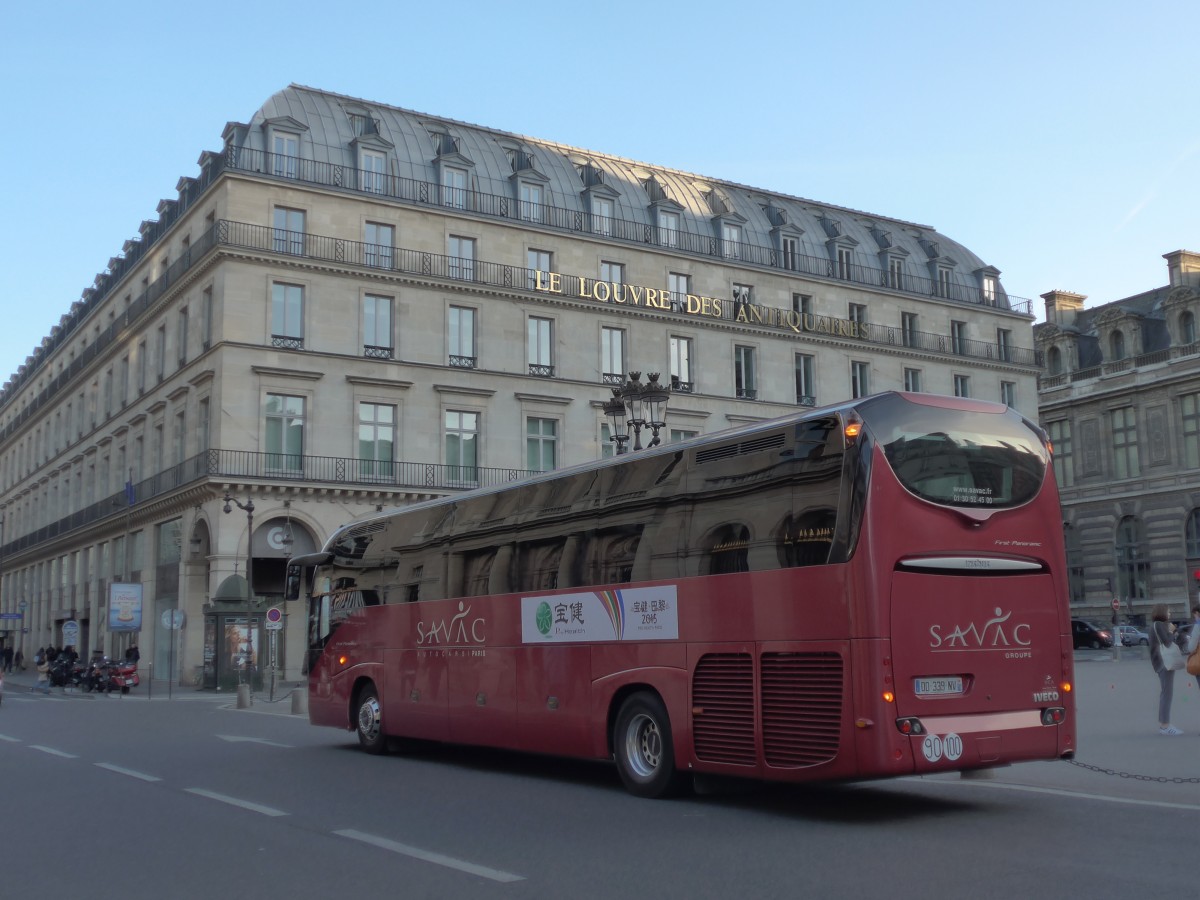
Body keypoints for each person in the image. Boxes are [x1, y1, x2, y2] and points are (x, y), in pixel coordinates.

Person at [1149, 603, 1183, 735]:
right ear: (1162, 612)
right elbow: (1167, 642)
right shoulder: (1158, 625)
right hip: (1164, 662)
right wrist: (1172, 631)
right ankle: (1165, 725)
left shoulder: (1154, 625)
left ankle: (1165, 724)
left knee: (1166, 692)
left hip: (1160, 662)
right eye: (1168, 612)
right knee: (1167, 693)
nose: (1169, 614)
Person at [1187, 604, 1200, 693]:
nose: (1194, 618)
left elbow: (1191, 648)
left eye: (1194, 615)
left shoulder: (1198, 626)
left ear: (1197, 613)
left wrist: (1190, 640)